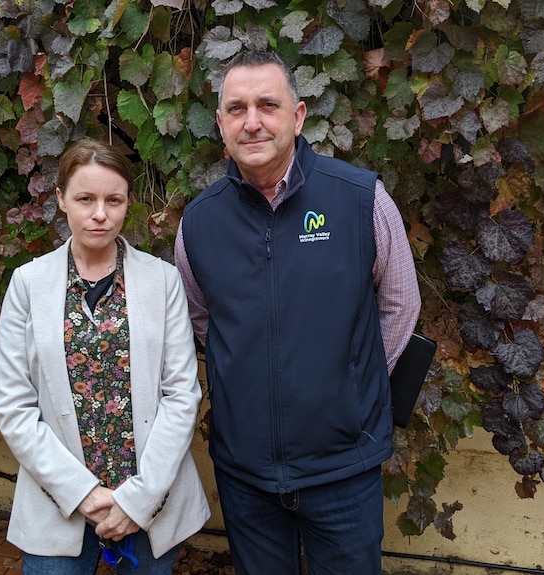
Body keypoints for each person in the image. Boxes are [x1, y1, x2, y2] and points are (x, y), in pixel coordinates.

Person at [174, 50, 421, 574]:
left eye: (268, 104)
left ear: (299, 115)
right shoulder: (198, 224)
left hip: (342, 469)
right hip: (247, 475)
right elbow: (202, 321)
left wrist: (351, 386)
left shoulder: (361, 199)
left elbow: (400, 305)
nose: (253, 121)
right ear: (220, 124)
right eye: (236, 109)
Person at [0, 137, 210, 575]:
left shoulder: (162, 282)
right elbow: (14, 406)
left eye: (113, 200)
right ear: (61, 200)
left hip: (149, 500)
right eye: (85, 198)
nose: (99, 213)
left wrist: (137, 499)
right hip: (58, 502)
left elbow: (181, 395)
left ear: (128, 202)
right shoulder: (28, 284)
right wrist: (83, 493)